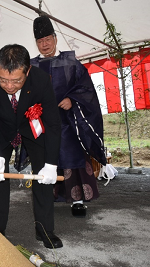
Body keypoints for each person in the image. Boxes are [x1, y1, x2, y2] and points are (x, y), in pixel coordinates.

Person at [0, 44, 63, 248]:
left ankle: (45, 230)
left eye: (16, 80)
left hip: (31, 126)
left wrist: (51, 163)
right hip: (1, 128)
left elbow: (53, 123)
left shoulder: (41, 80)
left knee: (42, 176)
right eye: (3, 80)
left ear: (28, 71)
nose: (9, 86)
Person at [31, 16, 107, 217]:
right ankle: (48, 198)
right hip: (43, 123)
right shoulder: (30, 67)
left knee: (72, 156)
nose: (44, 44)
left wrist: (72, 100)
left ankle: (78, 200)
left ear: (55, 39)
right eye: (40, 41)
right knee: (46, 158)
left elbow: (85, 86)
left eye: (48, 39)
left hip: (69, 121)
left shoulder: (71, 61)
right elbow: (25, 93)